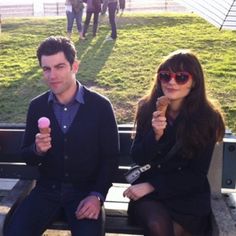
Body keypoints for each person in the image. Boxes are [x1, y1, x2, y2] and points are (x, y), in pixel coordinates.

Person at [4, 36, 119, 236]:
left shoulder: (100, 106)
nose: (52, 75)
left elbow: (110, 157)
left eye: (59, 67)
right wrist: (37, 150)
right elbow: (27, 156)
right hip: (47, 191)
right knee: (15, 232)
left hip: (84, 193)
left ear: (74, 66)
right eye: (46, 69)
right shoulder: (37, 106)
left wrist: (97, 195)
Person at [123, 49, 225, 236]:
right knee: (157, 226)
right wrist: (155, 135)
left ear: (194, 82)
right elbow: (138, 156)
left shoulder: (208, 118)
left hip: (186, 195)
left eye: (181, 77)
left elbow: (196, 174)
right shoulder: (147, 108)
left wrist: (152, 186)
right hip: (149, 198)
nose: (171, 82)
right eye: (165, 76)